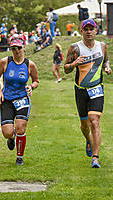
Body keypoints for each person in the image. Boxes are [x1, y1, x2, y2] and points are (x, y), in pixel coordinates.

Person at [64, 19, 112, 168]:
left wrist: (107, 68)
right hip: (80, 90)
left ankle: (95, 158)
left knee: (94, 121)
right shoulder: (74, 48)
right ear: (82, 31)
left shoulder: (102, 46)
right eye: (86, 29)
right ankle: (88, 140)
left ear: (96, 31)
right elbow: (65, 69)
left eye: (92, 29)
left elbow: (106, 61)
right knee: (84, 125)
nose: (89, 31)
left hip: (96, 88)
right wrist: (74, 63)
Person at [0, 36, 39, 165]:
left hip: (22, 99)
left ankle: (20, 157)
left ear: (23, 48)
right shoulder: (5, 62)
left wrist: (31, 87)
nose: (16, 51)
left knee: (20, 128)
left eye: (18, 48)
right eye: (13, 48)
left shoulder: (29, 65)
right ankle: (11, 138)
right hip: (7, 99)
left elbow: (36, 81)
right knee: (7, 132)